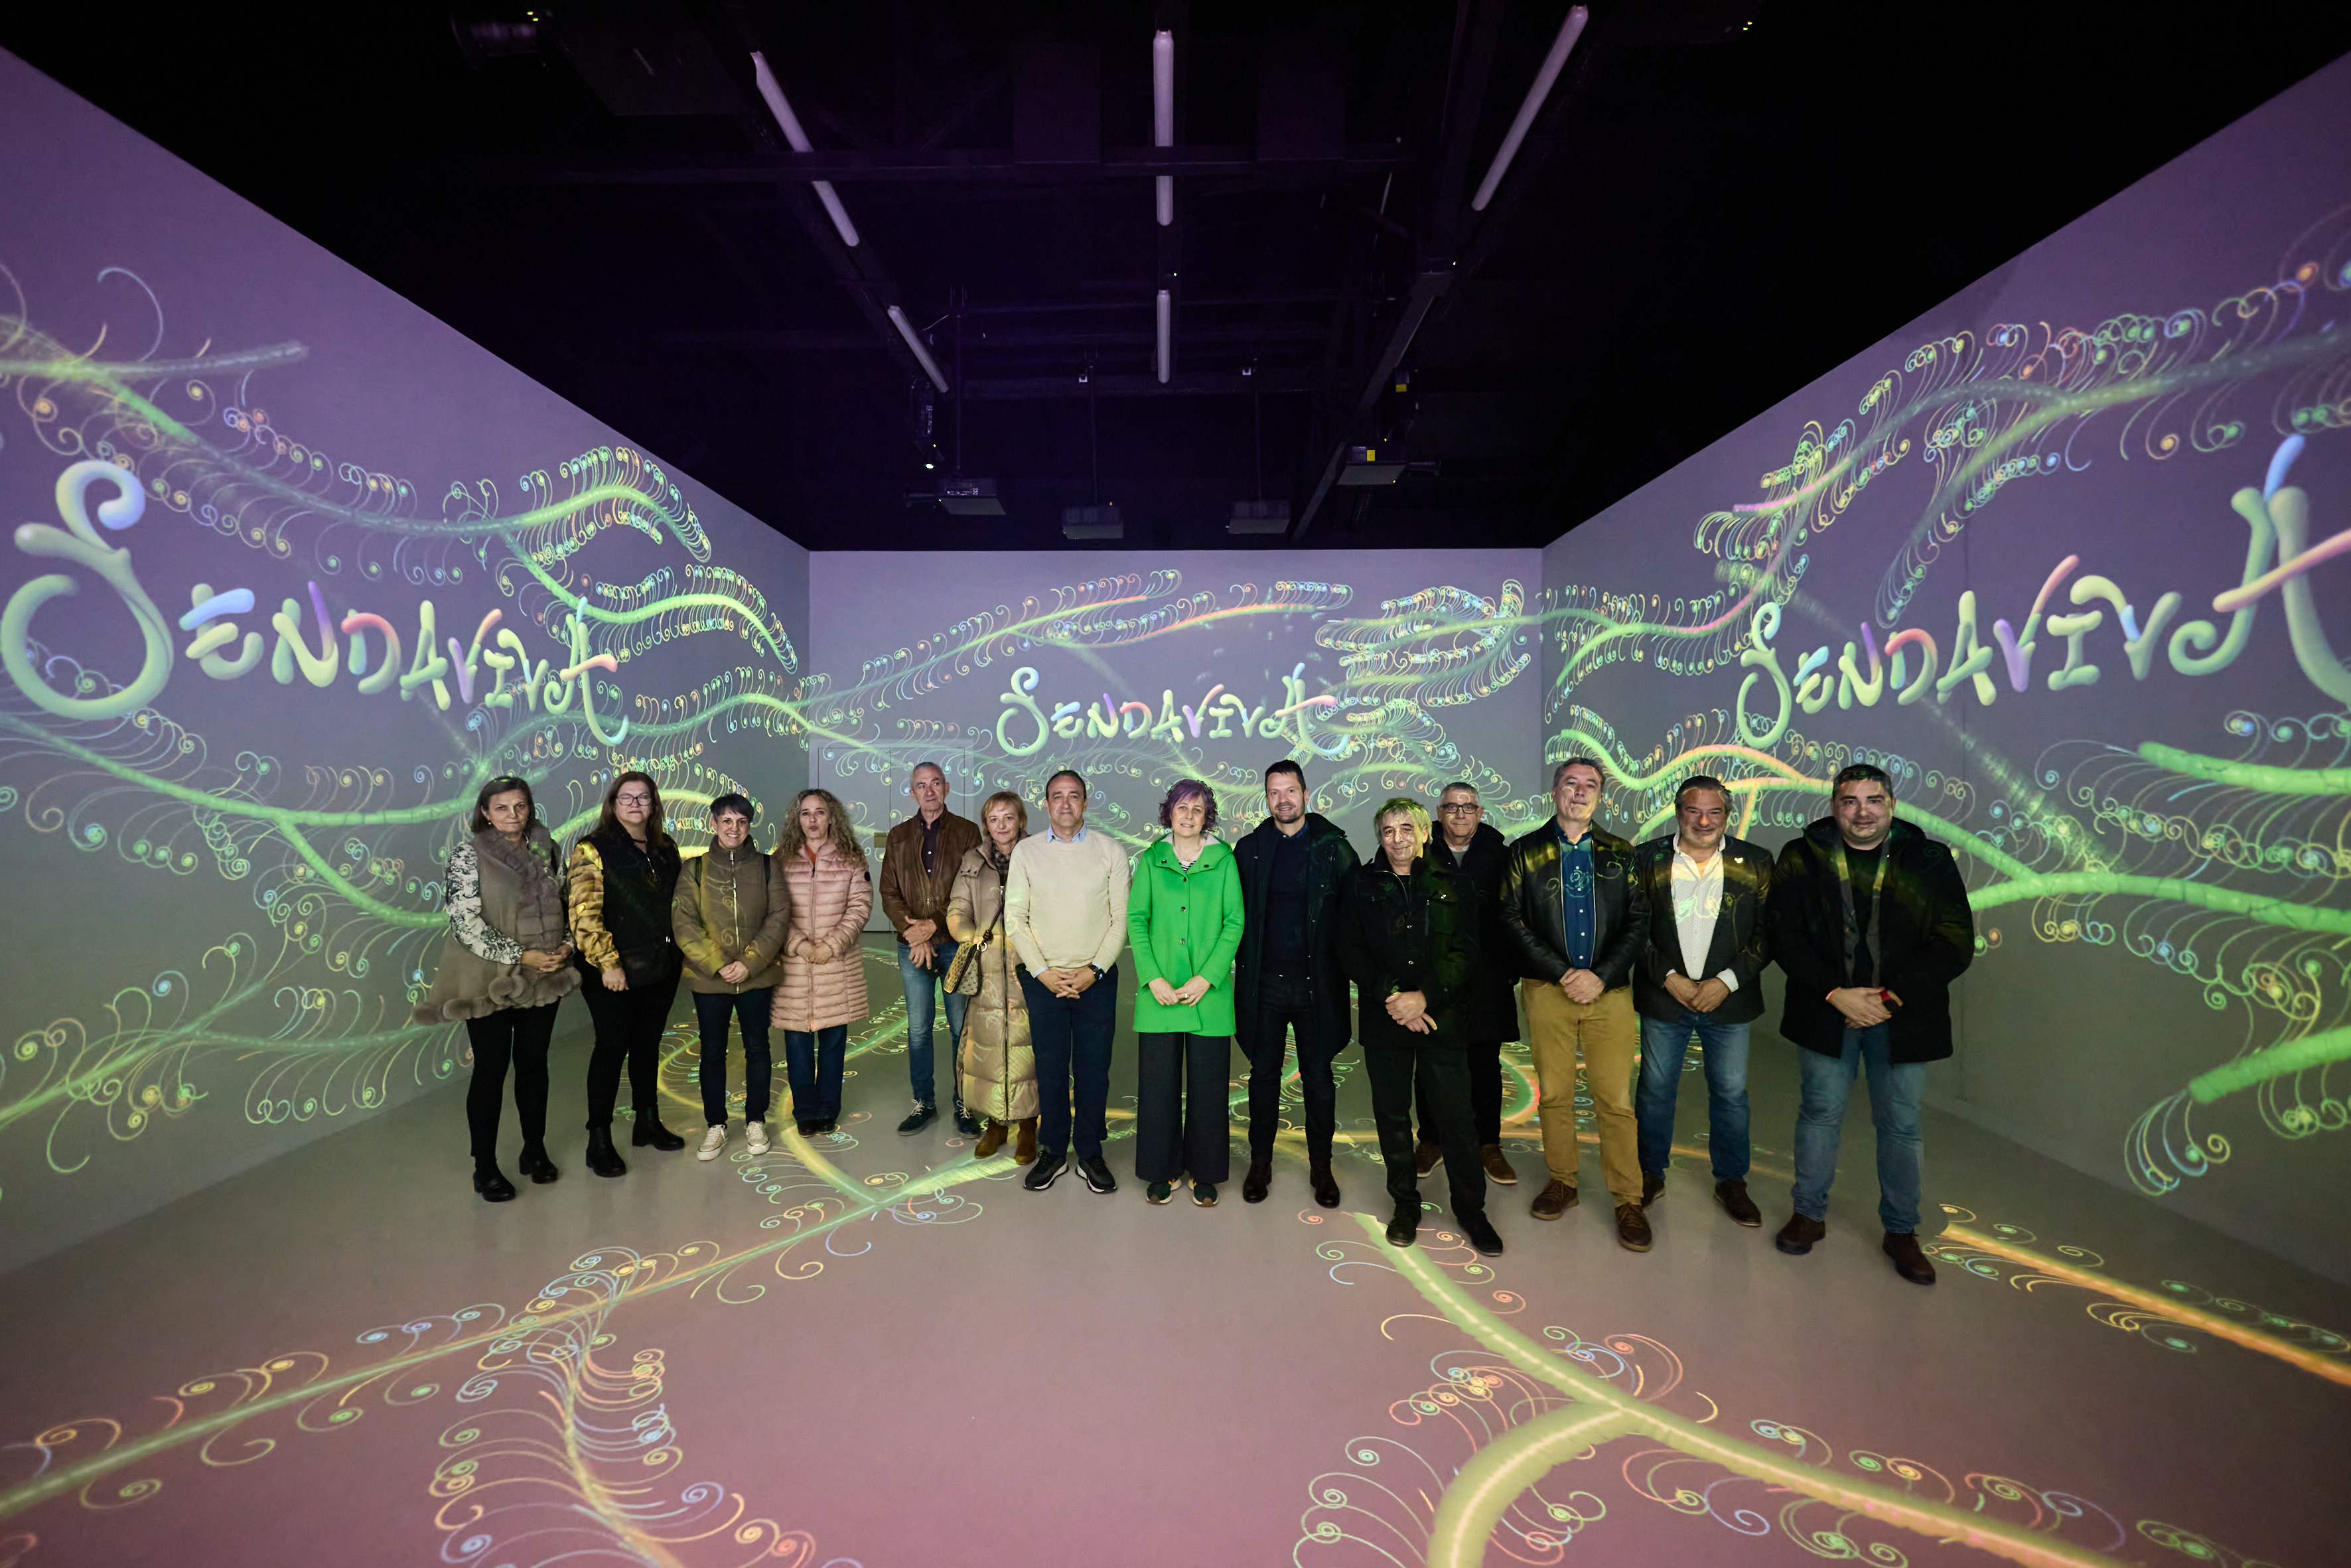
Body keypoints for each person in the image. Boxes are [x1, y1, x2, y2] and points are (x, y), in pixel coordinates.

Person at [1766, 763, 1975, 1285]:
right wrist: (1836, 994)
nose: (1862, 811)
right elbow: (1782, 934)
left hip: (1900, 1017)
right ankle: (1808, 1214)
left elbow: (1954, 941)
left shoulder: (1928, 860)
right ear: (1833, 806)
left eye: (1873, 800)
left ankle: (1901, 1231)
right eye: (1850, 801)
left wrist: (1890, 997)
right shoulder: (1801, 855)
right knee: (1818, 1115)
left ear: (1892, 804)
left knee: (1901, 1125)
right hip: (1826, 1010)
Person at [1498, 757, 1652, 1250]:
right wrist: (1562, 972)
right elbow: (1510, 919)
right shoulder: (1524, 851)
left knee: (1615, 1100)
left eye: (1590, 785)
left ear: (1601, 796)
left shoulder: (1621, 853)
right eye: (1571, 783)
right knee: (1556, 1093)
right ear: (1555, 792)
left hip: (1609, 994)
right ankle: (1562, 1180)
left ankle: (1629, 1197)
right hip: (1548, 991)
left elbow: (1637, 921)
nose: (1579, 792)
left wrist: (1599, 976)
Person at [1339, 798, 1504, 1257]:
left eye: (1406, 828)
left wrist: (1424, 996)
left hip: (1443, 1019)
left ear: (1423, 833)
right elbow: (1348, 948)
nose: (1397, 838)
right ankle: (1405, 1205)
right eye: (1388, 830)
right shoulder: (1361, 883)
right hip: (1385, 1018)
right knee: (1392, 1119)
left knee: (1456, 1118)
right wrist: (1393, 996)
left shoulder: (1455, 881)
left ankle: (1471, 1210)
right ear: (1379, 835)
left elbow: (1467, 950)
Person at [417, 774, 579, 1201]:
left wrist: (567, 945)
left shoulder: (547, 849)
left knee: (534, 1065)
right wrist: (522, 956)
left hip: (544, 976)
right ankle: (484, 1167)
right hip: (489, 977)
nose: (513, 815)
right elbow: (464, 923)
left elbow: (564, 903)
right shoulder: (467, 856)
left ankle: (534, 1150)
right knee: (491, 1071)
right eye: (503, 808)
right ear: (485, 813)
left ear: (530, 808)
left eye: (520, 806)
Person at [1630, 775, 1774, 1228]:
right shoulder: (1646, 858)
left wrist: (1725, 981)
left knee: (1730, 1094)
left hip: (1727, 1001)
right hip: (1664, 997)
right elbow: (1631, 927)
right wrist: (1668, 977)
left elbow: (1768, 934)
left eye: (1714, 811)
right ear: (1678, 811)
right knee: (1654, 1091)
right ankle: (1648, 1173)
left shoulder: (1756, 862)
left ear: (1726, 815)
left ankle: (1731, 1180)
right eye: (1694, 810)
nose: (1704, 820)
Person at [1232, 760, 1360, 1208]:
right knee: (1262, 1078)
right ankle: (1260, 1162)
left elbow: (1353, 920)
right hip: (1264, 984)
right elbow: (1232, 917)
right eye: (1273, 792)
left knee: (1319, 1080)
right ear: (1265, 798)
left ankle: (1321, 1168)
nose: (1282, 799)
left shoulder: (1334, 848)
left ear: (1306, 794)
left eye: (1290, 790)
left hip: (1316, 985)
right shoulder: (1248, 849)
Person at [1003, 769, 1130, 1196]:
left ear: (1086, 803)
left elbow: (1120, 920)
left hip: (1097, 981)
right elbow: (1015, 920)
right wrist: (1043, 972)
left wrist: (1093, 971)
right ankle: (1054, 1150)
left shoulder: (1110, 852)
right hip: (1044, 981)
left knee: (1094, 1071)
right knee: (1052, 1070)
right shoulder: (1026, 852)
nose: (1065, 804)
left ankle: (1090, 1151)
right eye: (1057, 796)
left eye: (1073, 796)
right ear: (1046, 804)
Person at [1127, 779, 1244, 1207]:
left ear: (1206, 815)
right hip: (1159, 992)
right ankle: (1162, 1169)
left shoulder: (1225, 859)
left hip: (1207, 994)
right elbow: (1137, 920)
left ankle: (1206, 1172)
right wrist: (1153, 978)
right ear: (1169, 813)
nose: (1189, 816)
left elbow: (1235, 922)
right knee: (1158, 1088)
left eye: (1198, 809)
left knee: (1209, 1089)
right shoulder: (1151, 859)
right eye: (1182, 807)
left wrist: (1207, 978)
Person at [569, 770, 686, 1178]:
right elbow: (584, 914)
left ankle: (646, 1121)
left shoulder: (665, 847)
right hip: (613, 972)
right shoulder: (592, 849)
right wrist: (608, 963)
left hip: (661, 966)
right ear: (613, 804)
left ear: (654, 805)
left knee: (648, 1044)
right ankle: (598, 1139)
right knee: (611, 1049)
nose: (636, 805)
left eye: (644, 798)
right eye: (627, 798)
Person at [1412, 782, 1523, 1190]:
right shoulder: (1420, 851)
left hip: (1487, 978)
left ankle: (1488, 1144)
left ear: (1480, 813)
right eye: (1452, 808)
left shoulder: (1501, 853)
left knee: (1484, 1064)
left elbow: (1517, 912)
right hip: (1433, 978)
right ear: (1438, 813)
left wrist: (1510, 968)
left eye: (1469, 807)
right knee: (1432, 1064)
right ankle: (1431, 1140)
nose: (1460, 814)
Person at [674, 793, 790, 1163]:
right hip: (711, 980)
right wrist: (719, 964)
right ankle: (716, 1124)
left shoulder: (768, 867)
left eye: (741, 822)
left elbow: (779, 916)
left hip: (756, 978)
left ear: (749, 826)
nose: (734, 828)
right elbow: (684, 922)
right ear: (713, 824)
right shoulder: (694, 869)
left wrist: (750, 962)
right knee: (712, 1051)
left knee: (758, 1048)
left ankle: (756, 1120)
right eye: (727, 821)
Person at [879, 762, 982, 1135]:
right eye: (921, 785)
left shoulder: (968, 832)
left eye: (935, 783)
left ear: (947, 787)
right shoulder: (899, 835)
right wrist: (915, 935)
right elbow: (888, 891)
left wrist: (934, 925)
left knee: (961, 1028)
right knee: (919, 1029)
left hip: (957, 946)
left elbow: (970, 888)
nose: (929, 791)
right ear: (912, 792)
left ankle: (965, 1104)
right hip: (913, 949)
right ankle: (923, 1102)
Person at [770, 788, 873, 1137]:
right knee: (797, 1045)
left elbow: (860, 906)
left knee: (832, 1044)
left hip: (836, 964)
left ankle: (828, 1108)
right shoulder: (780, 859)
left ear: (832, 817)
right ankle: (805, 1112)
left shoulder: (851, 856)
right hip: (793, 967)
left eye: (820, 812)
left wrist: (831, 945)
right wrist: (798, 945)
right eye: (805, 813)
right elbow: (772, 910)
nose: (813, 820)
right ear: (796, 819)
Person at [946, 791, 1040, 1162]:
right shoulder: (973, 861)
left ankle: (1029, 1125)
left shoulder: (1039, 856)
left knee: (1028, 1050)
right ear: (986, 825)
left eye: (1009, 818)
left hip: (1029, 970)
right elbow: (957, 908)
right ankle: (997, 1124)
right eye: (994, 819)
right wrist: (970, 937)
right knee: (985, 1051)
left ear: (1021, 821)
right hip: (985, 972)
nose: (1001, 826)